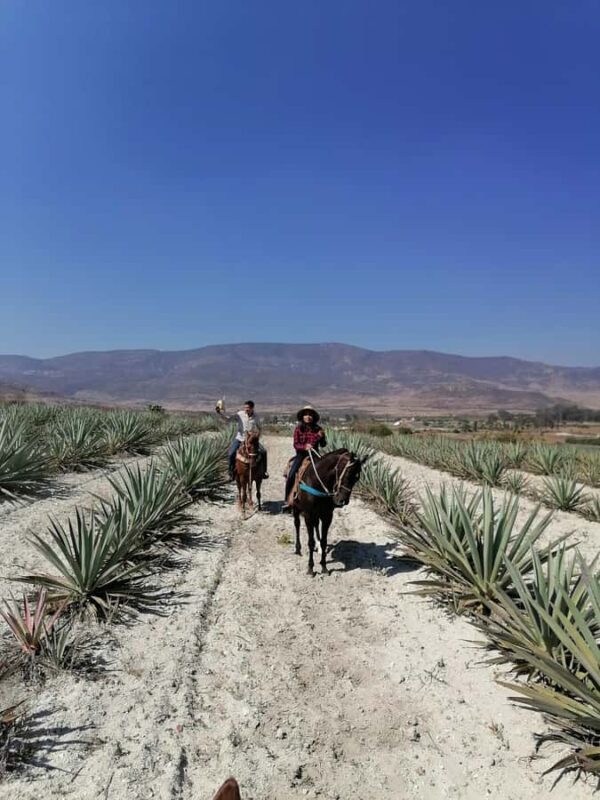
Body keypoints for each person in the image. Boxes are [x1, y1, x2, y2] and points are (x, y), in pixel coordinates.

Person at [282, 405, 327, 511]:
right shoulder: (298, 429)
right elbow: (296, 444)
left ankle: (327, 498)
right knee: (292, 474)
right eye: (306, 414)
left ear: (313, 417)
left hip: (315, 455)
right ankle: (287, 500)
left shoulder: (318, 429)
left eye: (310, 414)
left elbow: (324, 445)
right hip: (301, 456)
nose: (308, 416)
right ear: (302, 416)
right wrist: (304, 447)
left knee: (325, 473)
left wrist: (322, 437)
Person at [217, 400, 269, 480]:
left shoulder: (256, 417)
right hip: (240, 439)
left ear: (252, 408)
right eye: (245, 408)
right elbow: (228, 419)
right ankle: (230, 473)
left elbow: (260, 428)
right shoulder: (240, 414)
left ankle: (264, 472)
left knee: (263, 452)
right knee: (231, 453)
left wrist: (257, 436)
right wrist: (220, 413)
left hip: (251, 440)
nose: (246, 409)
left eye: (247, 408)